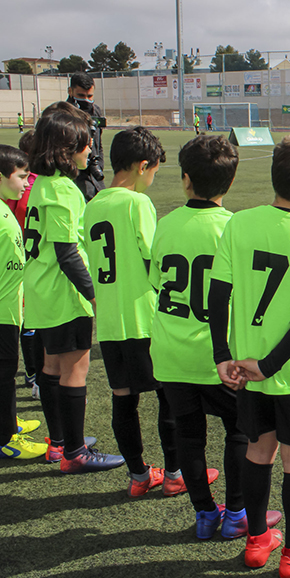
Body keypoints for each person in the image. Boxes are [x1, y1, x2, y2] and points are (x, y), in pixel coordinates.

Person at [209, 134, 290, 578]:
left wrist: (223, 355)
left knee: (258, 450)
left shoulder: (239, 223)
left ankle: (256, 543)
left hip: (244, 367)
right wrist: (271, 365)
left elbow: (217, 295)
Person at [150, 134, 279, 539]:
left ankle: (205, 513)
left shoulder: (165, 224)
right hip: (219, 352)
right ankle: (237, 513)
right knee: (238, 430)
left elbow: (157, 283)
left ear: (185, 178)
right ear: (232, 179)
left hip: (171, 352)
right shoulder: (235, 227)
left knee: (188, 433)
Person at [84, 127, 196, 497]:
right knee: (167, 397)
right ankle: (176, 474)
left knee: (123, 399)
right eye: (153, 171)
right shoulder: (137, 204)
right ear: (142, 165)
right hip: (146, 319)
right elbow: (154, 258)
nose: (153, 179)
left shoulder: (93, 204)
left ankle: (137, 477)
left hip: (111, 324)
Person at [24, 108, 123, 473]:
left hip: (41, 288)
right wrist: (95, 294)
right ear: (67, 150)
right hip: (63, 293)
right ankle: (76, 452)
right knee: (75, 369)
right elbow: (67, 253)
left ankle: (60, 441)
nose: (89, 153)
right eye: (84, 146)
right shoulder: (64, 190)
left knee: (51, 366)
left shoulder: (40, 183)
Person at [0, 145, 46, 459]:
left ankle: (8, 422)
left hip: (10, 310)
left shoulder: (5, 209)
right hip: (2, 313)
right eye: (21, 176)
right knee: (4, 374)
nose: (27, 183)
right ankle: (7, 439)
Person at [66, 72, 106, 202]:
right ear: (70, 91)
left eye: (90, 96)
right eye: (81, 96)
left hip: (95, 178)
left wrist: (98, 165)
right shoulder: (62, 114)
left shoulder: (96, 111)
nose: (86, 100)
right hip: (74, 178)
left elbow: (98, 144)